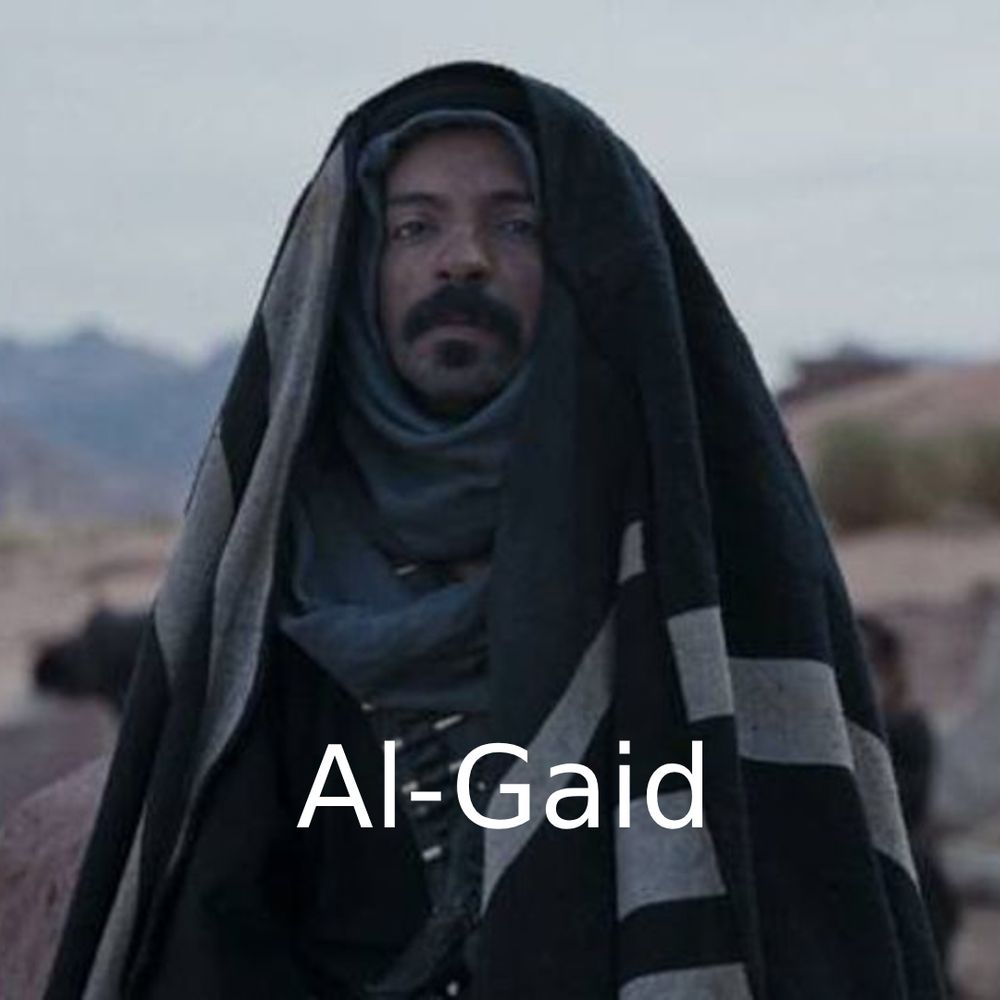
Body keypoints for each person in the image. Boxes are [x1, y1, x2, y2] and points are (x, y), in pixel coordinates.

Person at [47, 62, 944, 999]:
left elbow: (812, 906)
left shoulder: (700, 558)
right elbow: (209, 933)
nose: (463, 259)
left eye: (516, 224)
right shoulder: (269, 580)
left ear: (586, 261)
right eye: (415, 226)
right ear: (355, 265)